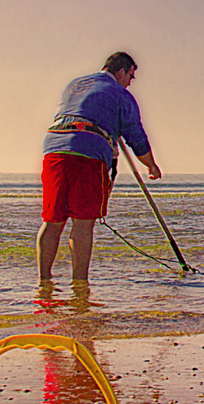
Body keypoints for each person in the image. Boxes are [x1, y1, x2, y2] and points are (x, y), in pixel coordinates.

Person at [37, 51, 162, 282]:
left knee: (53, 220)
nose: (129, 83)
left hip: (55, 147)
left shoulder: (75, 84)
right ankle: (80, 283)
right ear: (121, 71)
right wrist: (151, 165)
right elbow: (135, 135)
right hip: (88, 150)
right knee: (83, 223)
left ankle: (44, 281)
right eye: (130, 77)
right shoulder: (119, 93)